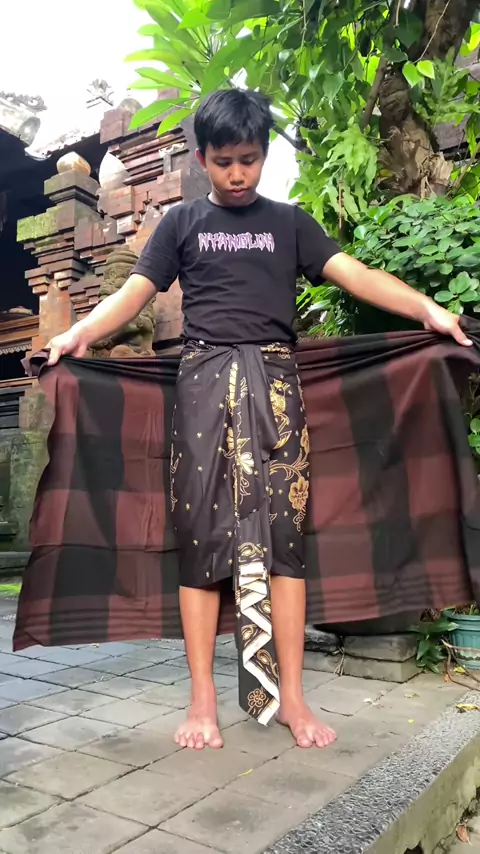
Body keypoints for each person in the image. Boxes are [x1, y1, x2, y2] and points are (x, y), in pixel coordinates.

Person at [46, 89, 471, 752]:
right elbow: (135, 293)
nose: (237, 173)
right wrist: (79, 333)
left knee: (284, 541)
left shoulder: (289, 223)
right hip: (202, 389)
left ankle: (293, 698)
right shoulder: (182, 223)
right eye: (224, 162)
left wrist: (429, 310)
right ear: (202, 159)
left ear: (264, 155)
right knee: (201, 541)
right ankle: (202, 701)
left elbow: (355, 274)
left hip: (276, 388)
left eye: (248, 159)